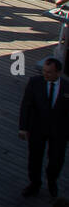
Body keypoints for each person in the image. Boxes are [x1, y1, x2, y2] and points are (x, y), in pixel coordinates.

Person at [19, 57, 69, 197]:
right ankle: (34, 183)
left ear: (58, 73)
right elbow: (26, 106)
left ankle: (52, 181)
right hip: (37, 128)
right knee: (35, 158)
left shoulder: (67, 87)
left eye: (49, 72)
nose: (45, 74)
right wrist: (23, 127)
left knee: (57, 160)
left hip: (59, 132)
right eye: (44, 71)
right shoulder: (35, 83)